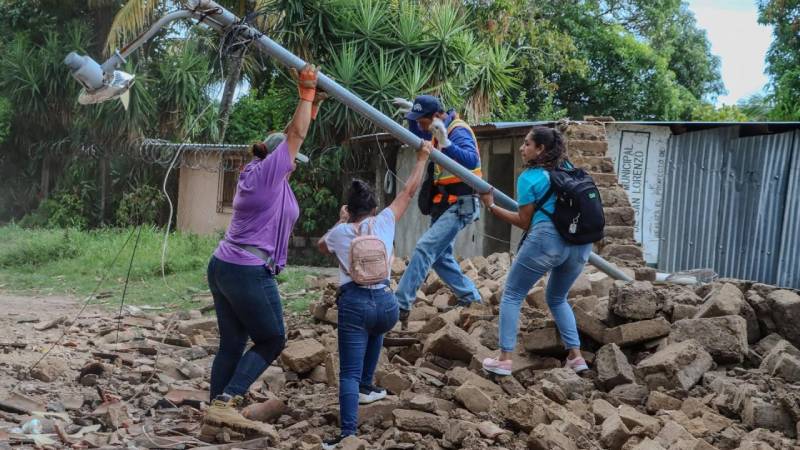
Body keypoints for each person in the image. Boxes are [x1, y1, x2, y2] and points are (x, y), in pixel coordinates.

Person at [202, 64, 324, 436]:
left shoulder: (257, 174)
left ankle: (214, 417)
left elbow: (293, 132)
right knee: (272, 339)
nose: (295, 164)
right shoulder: (270, 175)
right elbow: (294, 135)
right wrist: (305, 93)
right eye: (292, 158)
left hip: (224, 264)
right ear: (278, 157)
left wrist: (312, 107)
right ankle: (228, 400)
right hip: (246, 270)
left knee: (233, 343)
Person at [317, 140, 432, 448]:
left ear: (349, 209)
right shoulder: (385, 221)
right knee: (374, 327)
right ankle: (368, 386)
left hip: (355, 304)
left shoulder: (340, 232)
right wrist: (422, 157)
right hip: (387, 305)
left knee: (348, 375)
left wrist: (341, 221)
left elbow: (321, 246)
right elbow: (409, 191)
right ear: (373, 208)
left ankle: (347, 435)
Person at [480, 126, 592, 376]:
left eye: (527, 144)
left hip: (547, 241)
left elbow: (524, 222)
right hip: (581, 244)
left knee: (512, 294)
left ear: (540, 149)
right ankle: (576, 358)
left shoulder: (529, 177)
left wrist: (492, 206)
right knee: (557, 298)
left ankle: (504, 359)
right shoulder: (569, 169)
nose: (522, 148)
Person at [392, 95, 483, 323]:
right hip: (444, 204)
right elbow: (419, 136)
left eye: (421, 120)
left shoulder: (457, 130)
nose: (420, 125)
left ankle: (400, 304)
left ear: (435, 116)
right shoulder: (435, 129)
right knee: (440, 258)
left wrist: (446, 143)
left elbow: (471, 160)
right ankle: (471, 298)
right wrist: (411, 117)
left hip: (461, 204)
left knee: (424, 248)